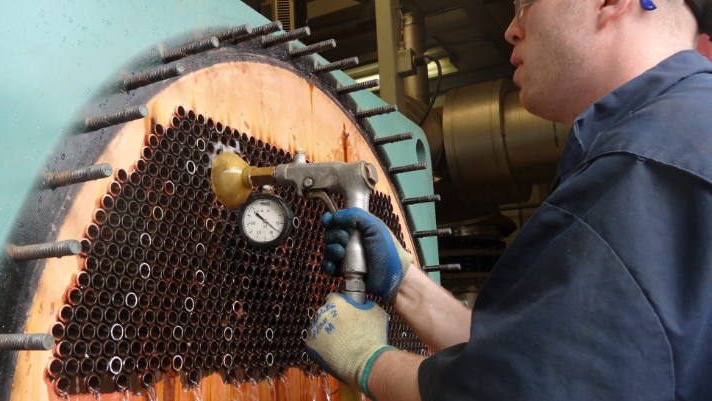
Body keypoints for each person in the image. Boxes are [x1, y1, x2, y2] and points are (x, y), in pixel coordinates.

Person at [304, 0, 712, 399]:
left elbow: (519, 389)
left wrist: (367, 360)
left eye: (526, 4)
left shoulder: (641, 165)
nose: (511, 29)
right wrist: (405, 283)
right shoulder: (680, 134)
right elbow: (527, 358)